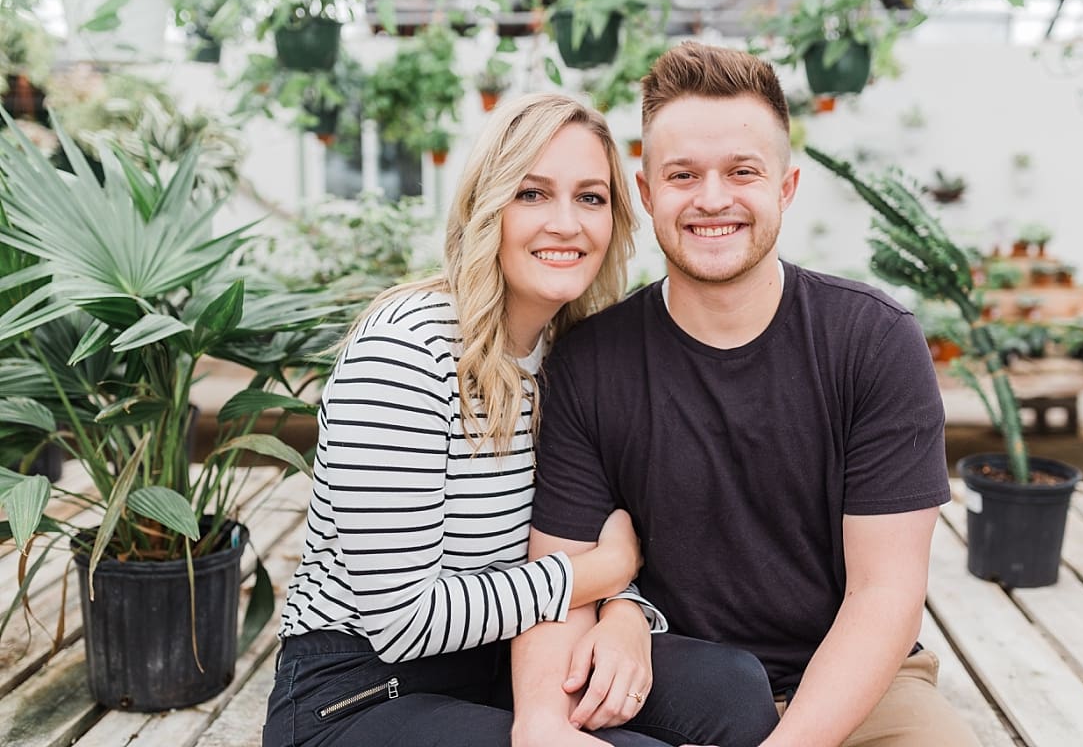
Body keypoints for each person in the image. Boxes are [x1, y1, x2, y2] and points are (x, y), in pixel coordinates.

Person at [512, 43, 982, 747]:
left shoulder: (873, 341)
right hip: (674, 682)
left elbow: (884, 597)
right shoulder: (591, 360)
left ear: (785, 188)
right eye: (682, 175)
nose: (711, 199)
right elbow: (561, 579)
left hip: (859, 686)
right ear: (645, 193)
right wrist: (544, 724)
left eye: (741, 172)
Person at [263, 93, 673, 747]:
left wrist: (626, 608)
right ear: (488, 206)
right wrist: (603, 573)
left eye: (591, 198)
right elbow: (405, 622)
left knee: (731, 690)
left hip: (506, 661)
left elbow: (611, 531)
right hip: (359, 692)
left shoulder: (578, 354)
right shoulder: (406, 352)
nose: (566, 222)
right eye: (532, 194)